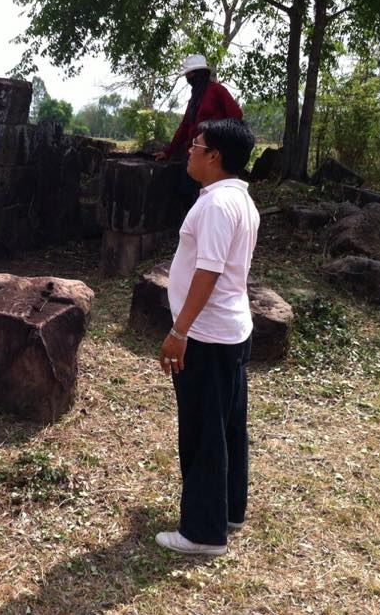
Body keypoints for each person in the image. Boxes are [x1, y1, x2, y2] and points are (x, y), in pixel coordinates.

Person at [155, 118, 260, 556]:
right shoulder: (238, 199)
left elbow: (209, 271)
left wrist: (180, 330)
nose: (189, 152)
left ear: (214, 155)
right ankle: (228, 509)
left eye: (196, 145)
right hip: (230, 331)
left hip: (207, 336)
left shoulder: (217, 205)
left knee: (203, 431)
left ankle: (202, 532)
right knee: (228, 426)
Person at [155, 55, 243, 196]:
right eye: (187, 75)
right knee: (186, 191)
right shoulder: (194, 98)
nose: (188, 78)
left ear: (200, 74)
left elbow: (236, 115)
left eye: (191, 74)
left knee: (207, 194)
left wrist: (217, 138)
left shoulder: (218, 90)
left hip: (212, 155)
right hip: (193, 152)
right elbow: (184, 127)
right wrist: (168, 151)